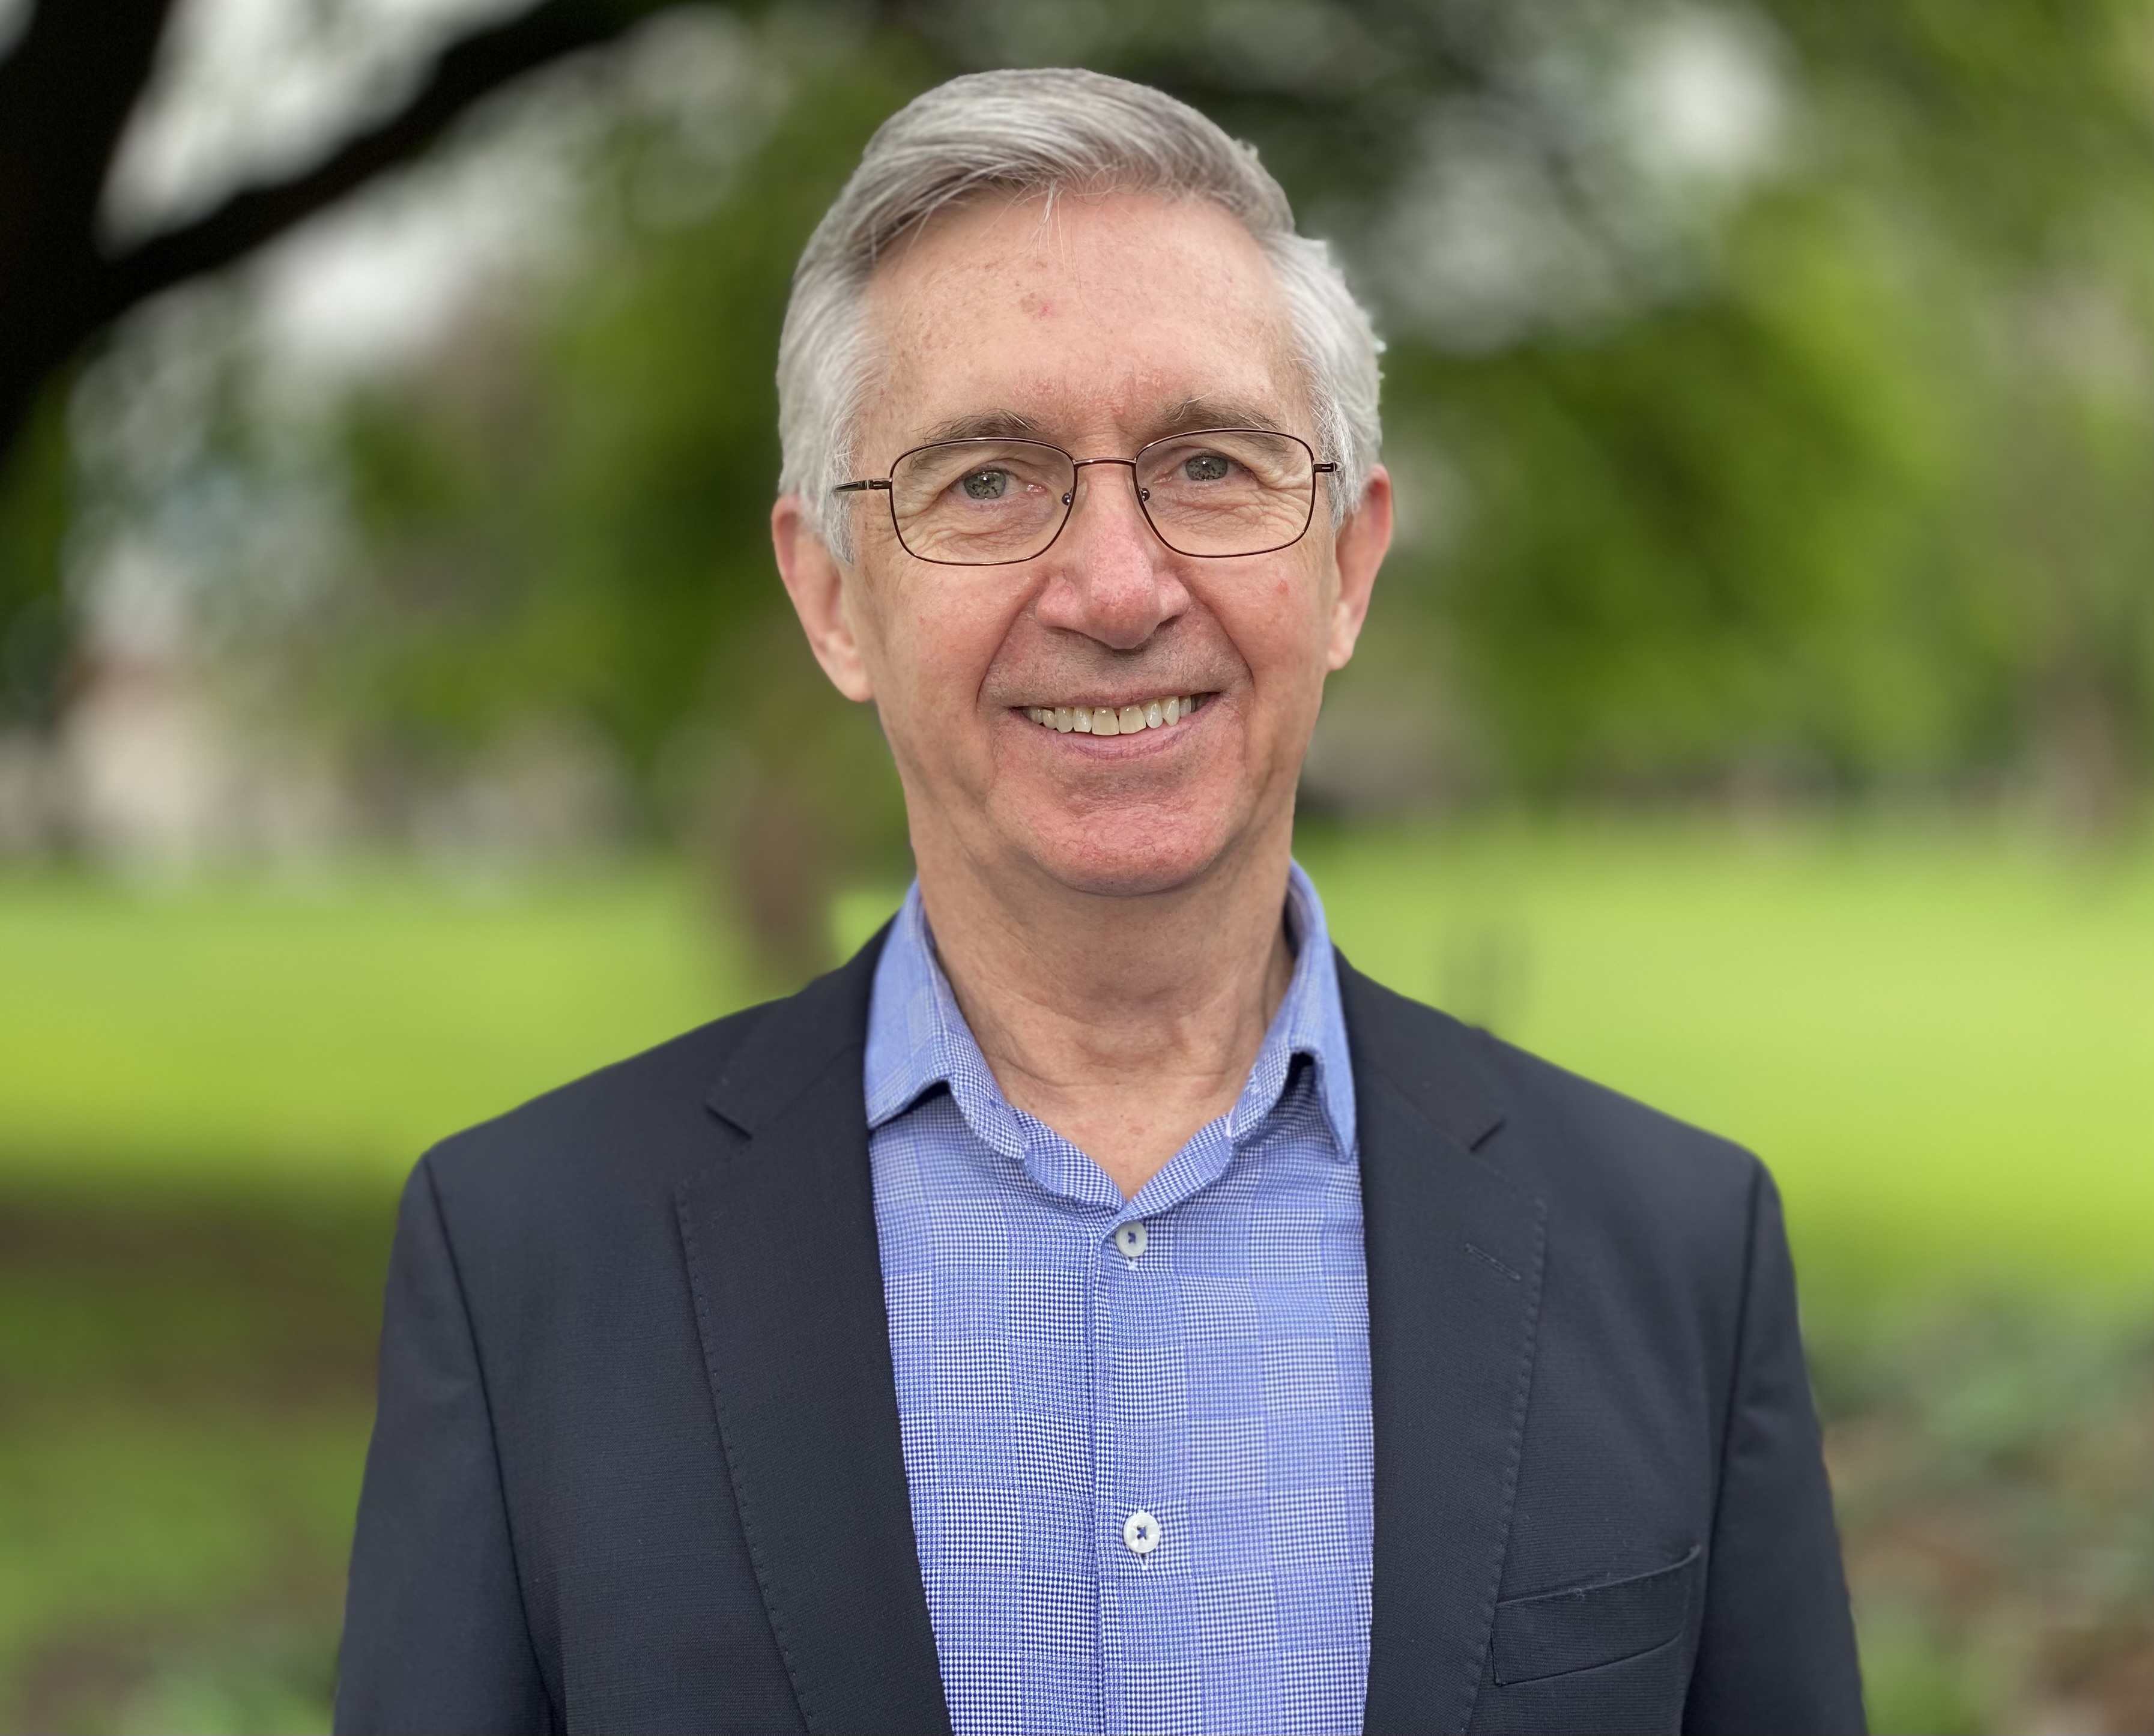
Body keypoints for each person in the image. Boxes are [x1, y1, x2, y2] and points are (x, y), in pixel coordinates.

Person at [334, 67, 1863, 1736]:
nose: (1120, 588)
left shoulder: (1672, 1254)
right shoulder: (530, 1263)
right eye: (985, 478)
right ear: (831, 594)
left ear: (1343, 564)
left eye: (1208, 463)